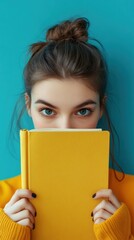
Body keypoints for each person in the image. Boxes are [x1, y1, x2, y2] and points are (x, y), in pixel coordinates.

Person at [0, 17, 133, 240]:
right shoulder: (2, 198)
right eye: (48, 111)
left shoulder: (131, 193)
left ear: (101, 108)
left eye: (82, 111)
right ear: (28, 106)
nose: (65, 128)